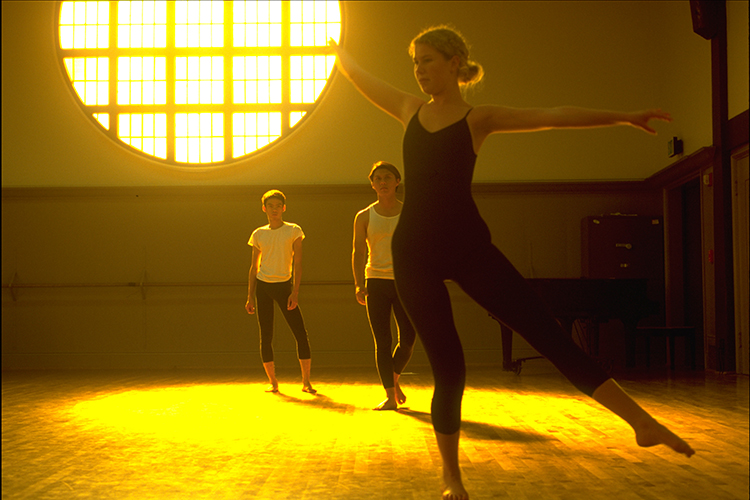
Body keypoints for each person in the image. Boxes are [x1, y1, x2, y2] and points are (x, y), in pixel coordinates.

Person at [330, 25, 694, 500]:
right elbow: (357, 74)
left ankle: (641, 422)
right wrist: (335, 48)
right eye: (414, 62)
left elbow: (552, 116)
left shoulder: (479, 118)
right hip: (414, 251)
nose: (419, 70)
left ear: (455, 63)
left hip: (468, 245)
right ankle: (451, 478)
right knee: (450, 366)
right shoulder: (409, 110)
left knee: (547, 333)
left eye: (428, 60)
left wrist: (622, 117)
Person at [352, 161, 417, 411]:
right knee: (383, 341)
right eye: (377, 179)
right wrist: (359, 284)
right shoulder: (364, 215)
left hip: (406, 282)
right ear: (372, 184)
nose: (383, 182)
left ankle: (394, 379)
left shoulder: (411, 210)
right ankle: (390, 396)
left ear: (397, 181)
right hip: (375, 282)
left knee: (409, 339)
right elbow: (358, 252)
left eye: (387, 177)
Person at [246, 190, 316, 395]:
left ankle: (306, 381)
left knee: (300, 333)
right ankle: (273, 382)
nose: (274, 209)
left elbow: (299, 262)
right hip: (263, 286)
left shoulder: (294, 230)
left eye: (278, 206)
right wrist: (250, 295)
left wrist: (295, 292)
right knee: (265, 335)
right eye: (270, 206)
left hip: (284, 286)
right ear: (264, 208)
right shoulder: (258, 234)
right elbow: (253, 267)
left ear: (284, 208)